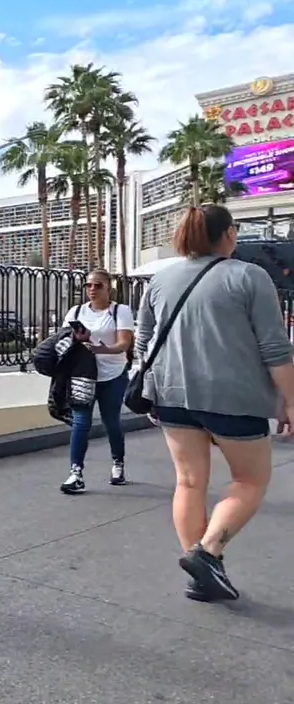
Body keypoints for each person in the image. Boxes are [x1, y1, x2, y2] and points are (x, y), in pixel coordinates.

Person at [135, 205, 294, 602]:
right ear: (228, 234)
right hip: (234, 398)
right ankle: (207, 553)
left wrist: (151, 390)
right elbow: (275, 348)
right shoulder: (249, 276)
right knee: (250, 480)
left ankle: (202, 573)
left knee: (189, 482)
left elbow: (143, 342)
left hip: (172, 394)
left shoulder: (161, 280)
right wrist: (291, 400)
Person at [58, 268, 136, 494]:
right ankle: (76, 473)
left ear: (108, 287)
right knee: (81, 422)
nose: (92, 289)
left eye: (98, 285)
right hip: (83, 375)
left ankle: (118, 463)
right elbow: (63, 339)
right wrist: (78, 340)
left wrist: (104, 349)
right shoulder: (76, 311)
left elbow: (124, 343)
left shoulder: (120, 311)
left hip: (113, 374)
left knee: (111, 421)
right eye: (88, 285)